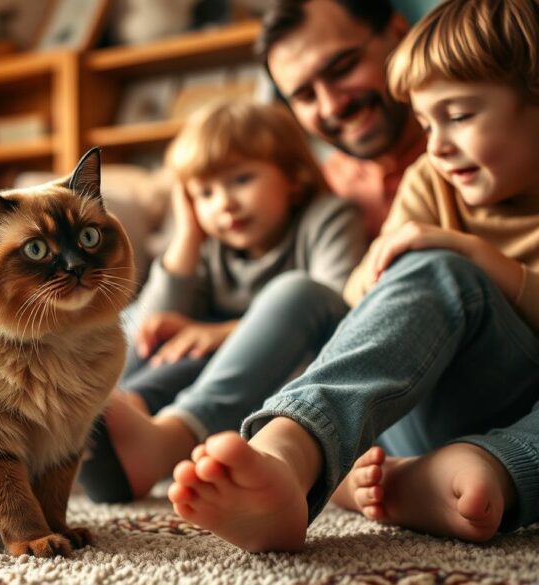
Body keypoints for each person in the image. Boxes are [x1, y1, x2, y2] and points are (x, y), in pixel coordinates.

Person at [168, 0, 539, 552]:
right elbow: (362, 304)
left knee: (442, 263)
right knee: (422, 270)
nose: (437, 145)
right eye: (424, 122)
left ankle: (444, 474)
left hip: (521, 409)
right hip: (420, 405)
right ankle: (294, 453)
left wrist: (477, 255)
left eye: (458, 116)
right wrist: (383, 272)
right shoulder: (431, 179)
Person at [78, 99, 366, 503]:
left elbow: (339, 306)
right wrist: (188, 234)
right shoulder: (210, 244)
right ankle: (112, 416)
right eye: (205, 193)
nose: (224, 204)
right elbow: (157, 319)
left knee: (295, 291)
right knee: (150, 325)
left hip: (293, 377)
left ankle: (153, 437)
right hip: (209, 385)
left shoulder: (329, 217)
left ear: (294, 177)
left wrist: (221, 332)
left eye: (241, 180)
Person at [260, 0, 430, 237]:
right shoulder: (316, 195)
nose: (331, 107)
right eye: (306, 96)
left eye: (343, 68)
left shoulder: (481, 156)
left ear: (399, 32)